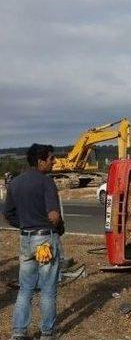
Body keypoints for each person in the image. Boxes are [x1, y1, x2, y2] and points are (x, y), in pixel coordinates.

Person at [4, 144, 64, 340]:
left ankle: (18, 332)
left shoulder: (15, 183)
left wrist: (23, 224)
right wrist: (58, 228)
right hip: (44, 240)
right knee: (47, 289)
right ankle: (47, 333)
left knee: (26, 288)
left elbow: (7, 214)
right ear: (41, 161)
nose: (54, 162)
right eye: (51, 159)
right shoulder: (46, 183)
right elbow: (54, 216)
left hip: (26, 239)